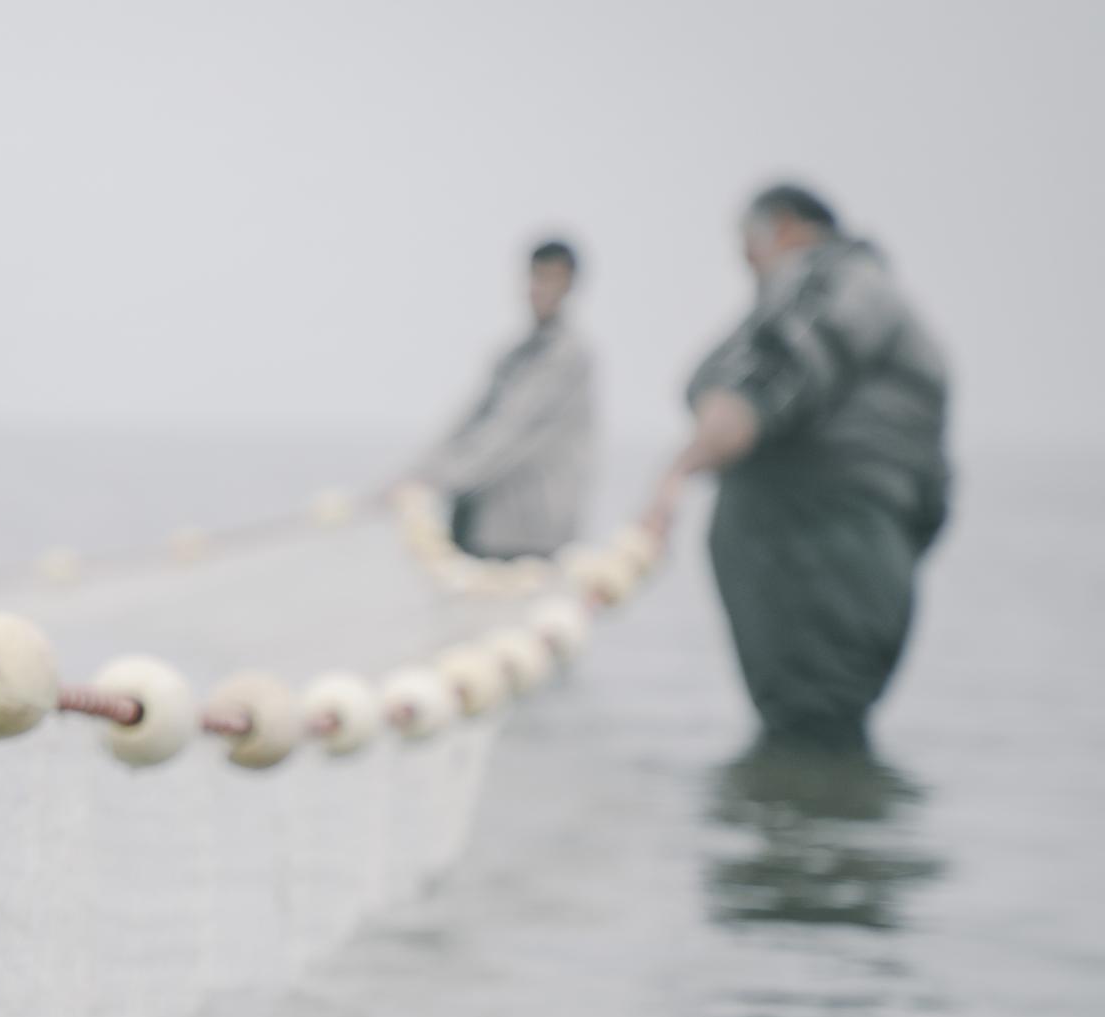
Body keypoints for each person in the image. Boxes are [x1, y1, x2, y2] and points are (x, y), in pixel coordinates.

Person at [641, 184, 950, 747]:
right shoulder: (887, 308)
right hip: (865, 567)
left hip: (813, 563)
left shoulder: (830, 279)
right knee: (824, 736)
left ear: (782, 228)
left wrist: (674, 477)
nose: (745, 264)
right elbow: (934, 497)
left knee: (807, 737)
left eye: (746, 245)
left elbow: (769, 374)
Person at [398, 239, 596, 558]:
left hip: (530, 535)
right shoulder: (511, 355)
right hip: (481, 521)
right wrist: (408, 479)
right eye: (537, 276)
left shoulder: (569, 358)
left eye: (552, 279)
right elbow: (465, 423)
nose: (541, 289)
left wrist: (431, 481)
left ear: (570, 285)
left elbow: (509, 434)